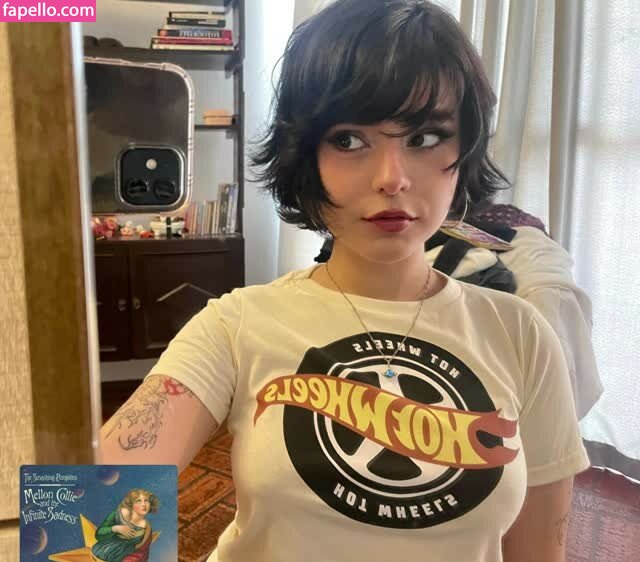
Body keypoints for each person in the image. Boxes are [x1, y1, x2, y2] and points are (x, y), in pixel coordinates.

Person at [99, 1, 590, 561]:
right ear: (306, 155)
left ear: (465, 148)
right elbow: (85, 526)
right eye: (349, 140)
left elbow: (538, 552)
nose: (391, 179)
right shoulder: (234, 325)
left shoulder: (522, 334)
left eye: (425, 137)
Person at [91, 489, 158, 562]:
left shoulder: (147, 529)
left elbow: (142, 553)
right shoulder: (118, 514)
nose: (144, 505)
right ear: (131, 504)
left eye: (146, 501)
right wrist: (115, 529)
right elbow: (99, 535)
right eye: (138, 501)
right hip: (99, 554)